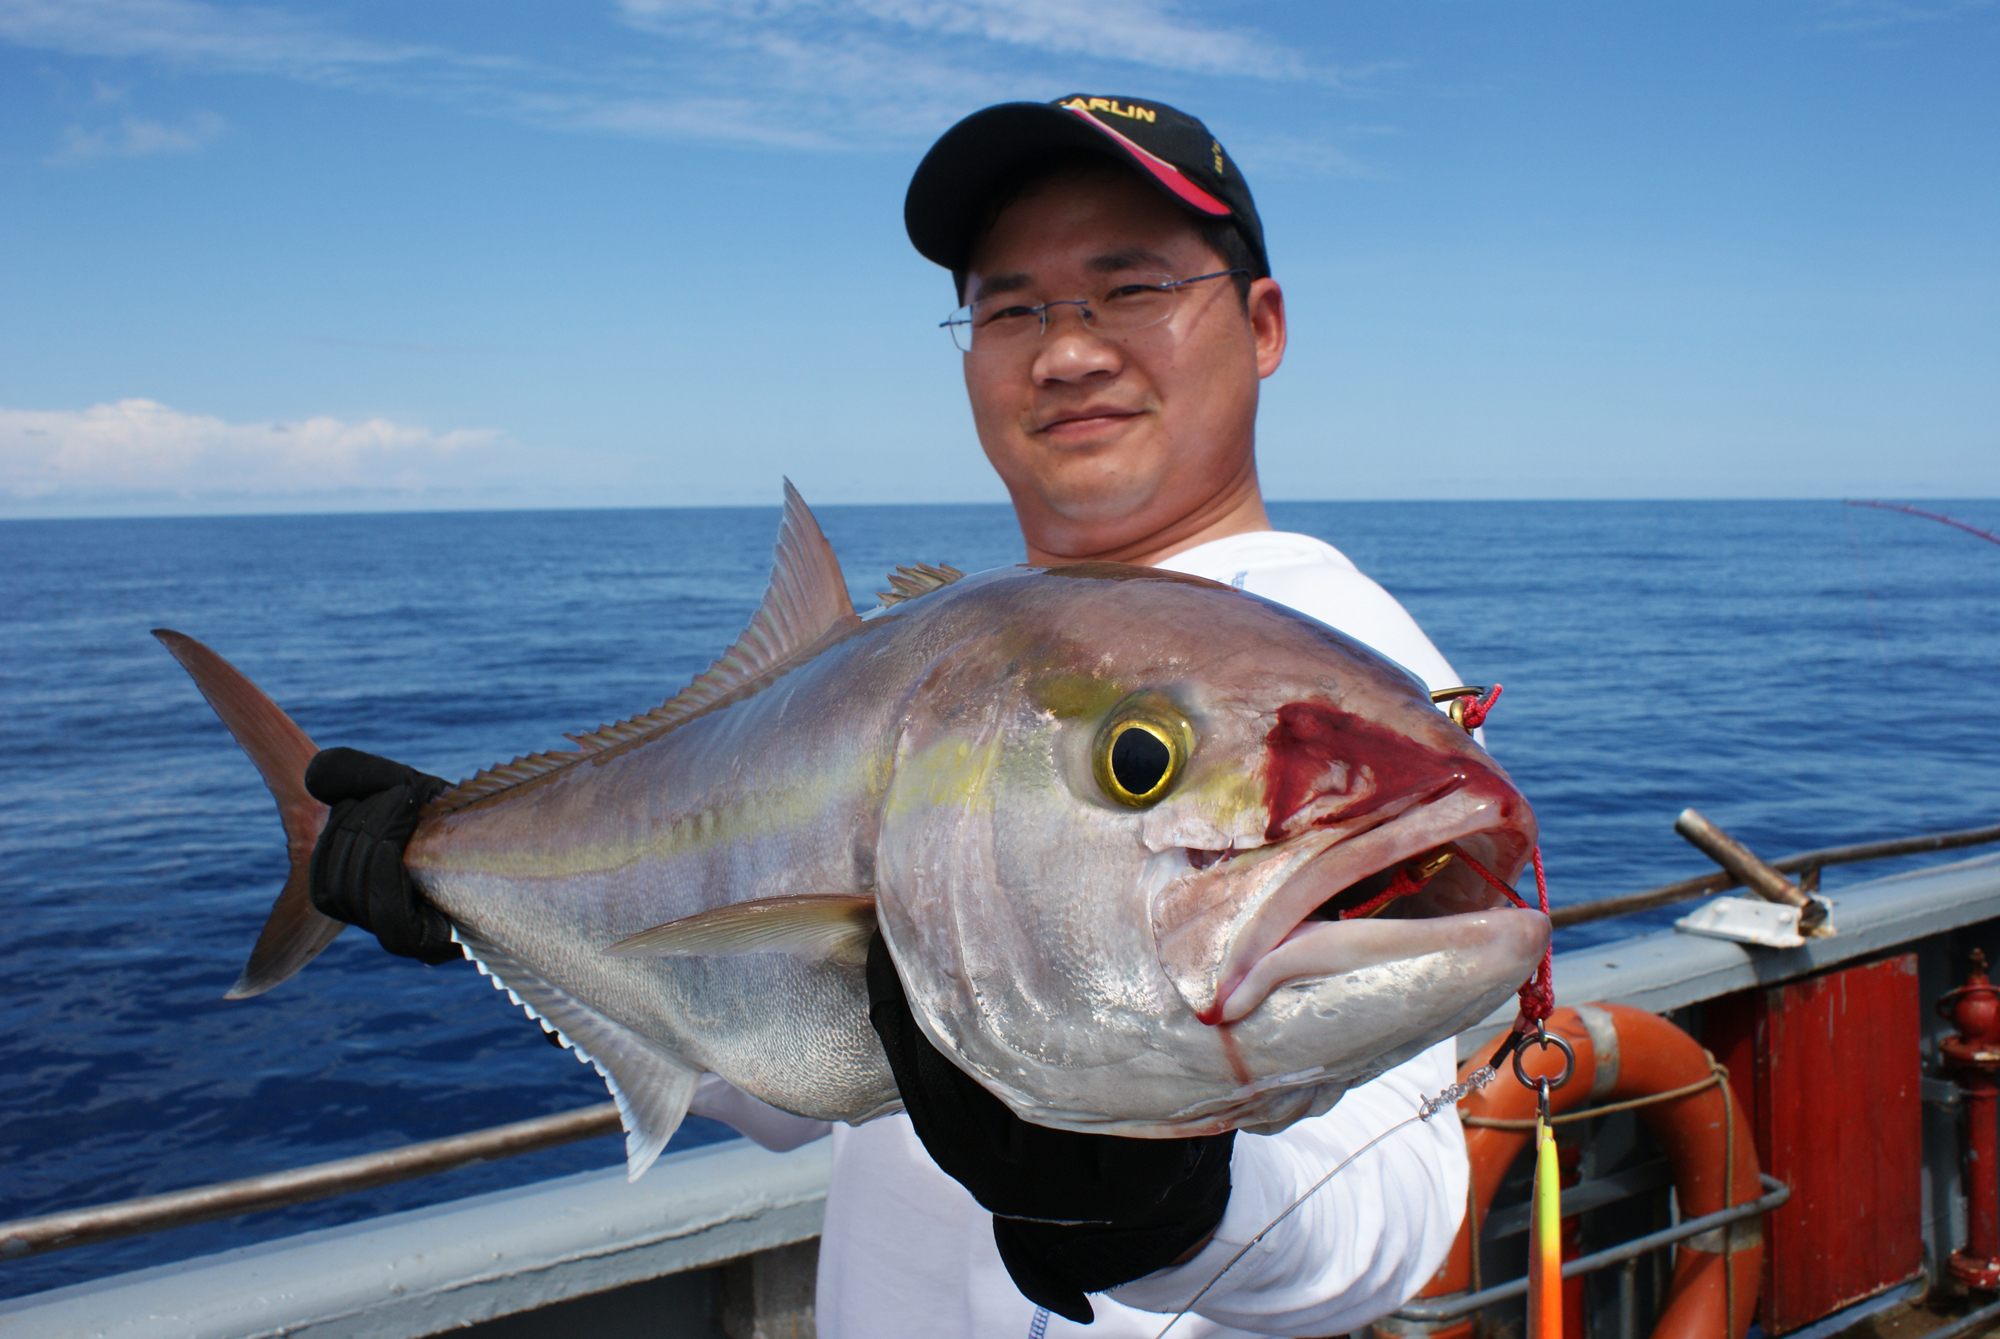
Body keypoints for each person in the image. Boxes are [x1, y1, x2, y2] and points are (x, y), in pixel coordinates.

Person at [306, 95, 1483, 1337]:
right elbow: (793, 1086)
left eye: (1128, 288)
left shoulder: (1339, 685)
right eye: (1011, 305)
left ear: (1261, 325)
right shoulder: (941, 661)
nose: (1067, 349)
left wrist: (1166, 1206)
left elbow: (1391, 1213)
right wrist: (495, 914)